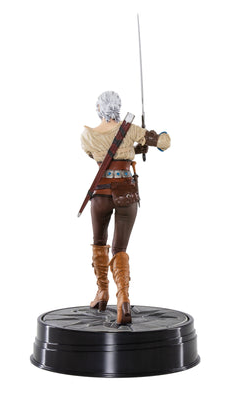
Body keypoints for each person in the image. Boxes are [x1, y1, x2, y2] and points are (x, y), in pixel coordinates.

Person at [81, 91, 170, 324]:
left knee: (99, 242)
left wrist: (132, 149)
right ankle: (123, 301)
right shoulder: (130, 130)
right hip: (126, 194)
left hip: (101, 195)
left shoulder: (87, 136)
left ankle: (102, 293)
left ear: (99, 109)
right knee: (119, 249)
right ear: (118, 107)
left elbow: (99, 157)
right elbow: (165, 142)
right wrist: (150, 138)